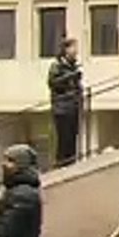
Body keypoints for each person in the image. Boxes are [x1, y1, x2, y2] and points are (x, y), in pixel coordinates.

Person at [48, 37, 82, 167]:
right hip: (62, 107)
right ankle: (62, 164)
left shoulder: (73, 65)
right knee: (64, 138)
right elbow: (53, 83)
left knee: (73, 137)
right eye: (73, 47)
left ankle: (71, 163)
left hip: (73, 106)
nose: (76, 51)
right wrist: (70, 76)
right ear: (66, 49)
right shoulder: (57, 65)